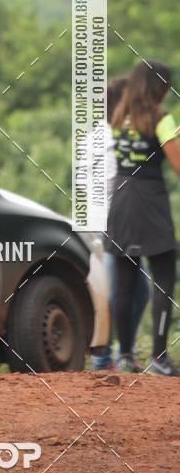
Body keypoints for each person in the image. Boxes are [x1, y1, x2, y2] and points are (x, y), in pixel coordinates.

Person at [106, 59, 180, 376]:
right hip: (150, 202)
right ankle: (159, 358)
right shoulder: (161, 119)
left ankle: (124, 356)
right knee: (164, 280)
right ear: (160, 87)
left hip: (121, 200)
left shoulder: (118, 115)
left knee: (124, 283)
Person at [91, 76, 150, 371]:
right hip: (115, 222)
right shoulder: (115, 138)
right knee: (123, 292)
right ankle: (108, 357)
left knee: (133, 291)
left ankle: (115, 355)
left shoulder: (99, 136)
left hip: (108, 220)